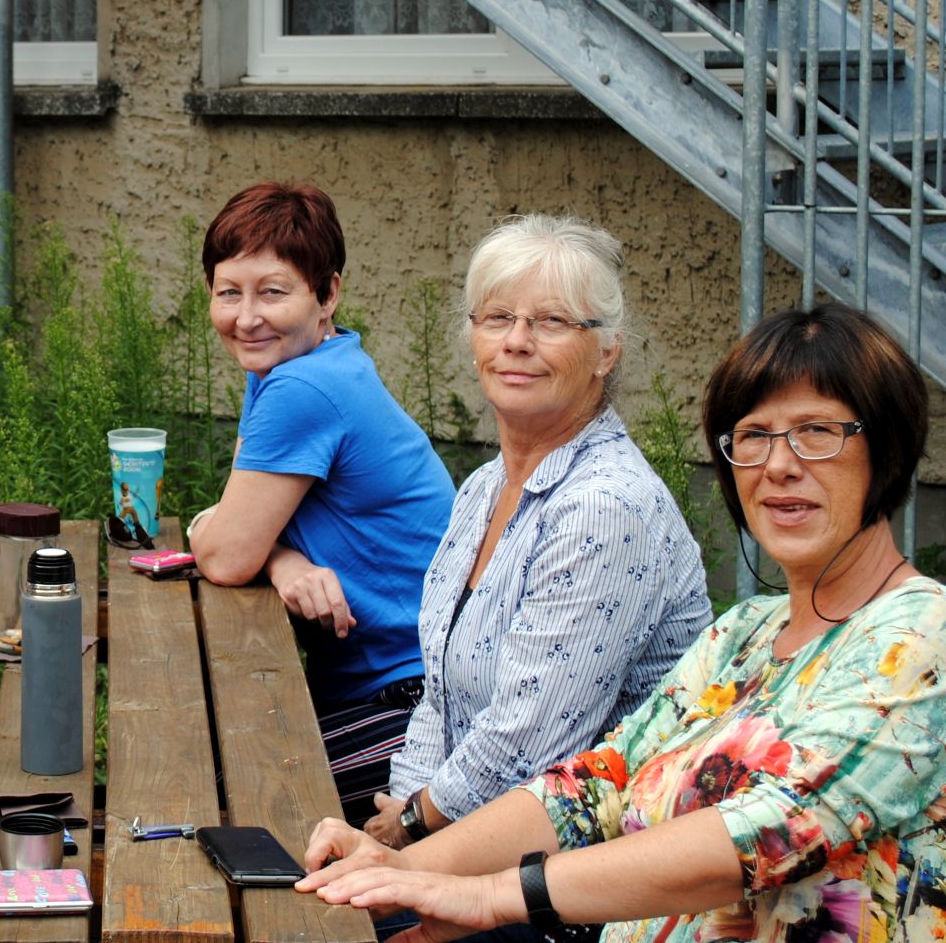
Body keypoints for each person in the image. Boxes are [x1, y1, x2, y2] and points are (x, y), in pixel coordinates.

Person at [300, 303, 946, 943]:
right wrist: (402, 869)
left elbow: (770, 830)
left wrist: (488, 895)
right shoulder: (745, 633)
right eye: (754, 435)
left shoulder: (923, 633)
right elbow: (597, 783)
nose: (778, 464)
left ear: (887, 450)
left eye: (817, 431)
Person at [369, 216, 710, 857]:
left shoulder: (604, 507)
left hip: (584, 868)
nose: (517, 342)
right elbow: (440, 696)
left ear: (607, 352)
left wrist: (407, 830)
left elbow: (529, 744)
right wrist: (405, 810)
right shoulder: (485, 486)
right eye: (498, 317)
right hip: (462, 838)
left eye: (552, 322)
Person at [188, 180, 455, 825]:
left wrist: (250, 548)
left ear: (327, 294)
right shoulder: (296, 367)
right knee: (216, 767)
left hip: (417, 705)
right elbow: (237, 530)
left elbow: (223, 551)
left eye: (272, 292)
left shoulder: (303, 387)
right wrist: (284, 562)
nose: (246, 317)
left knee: (229, 797)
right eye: (229, 292)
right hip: (387, 688)